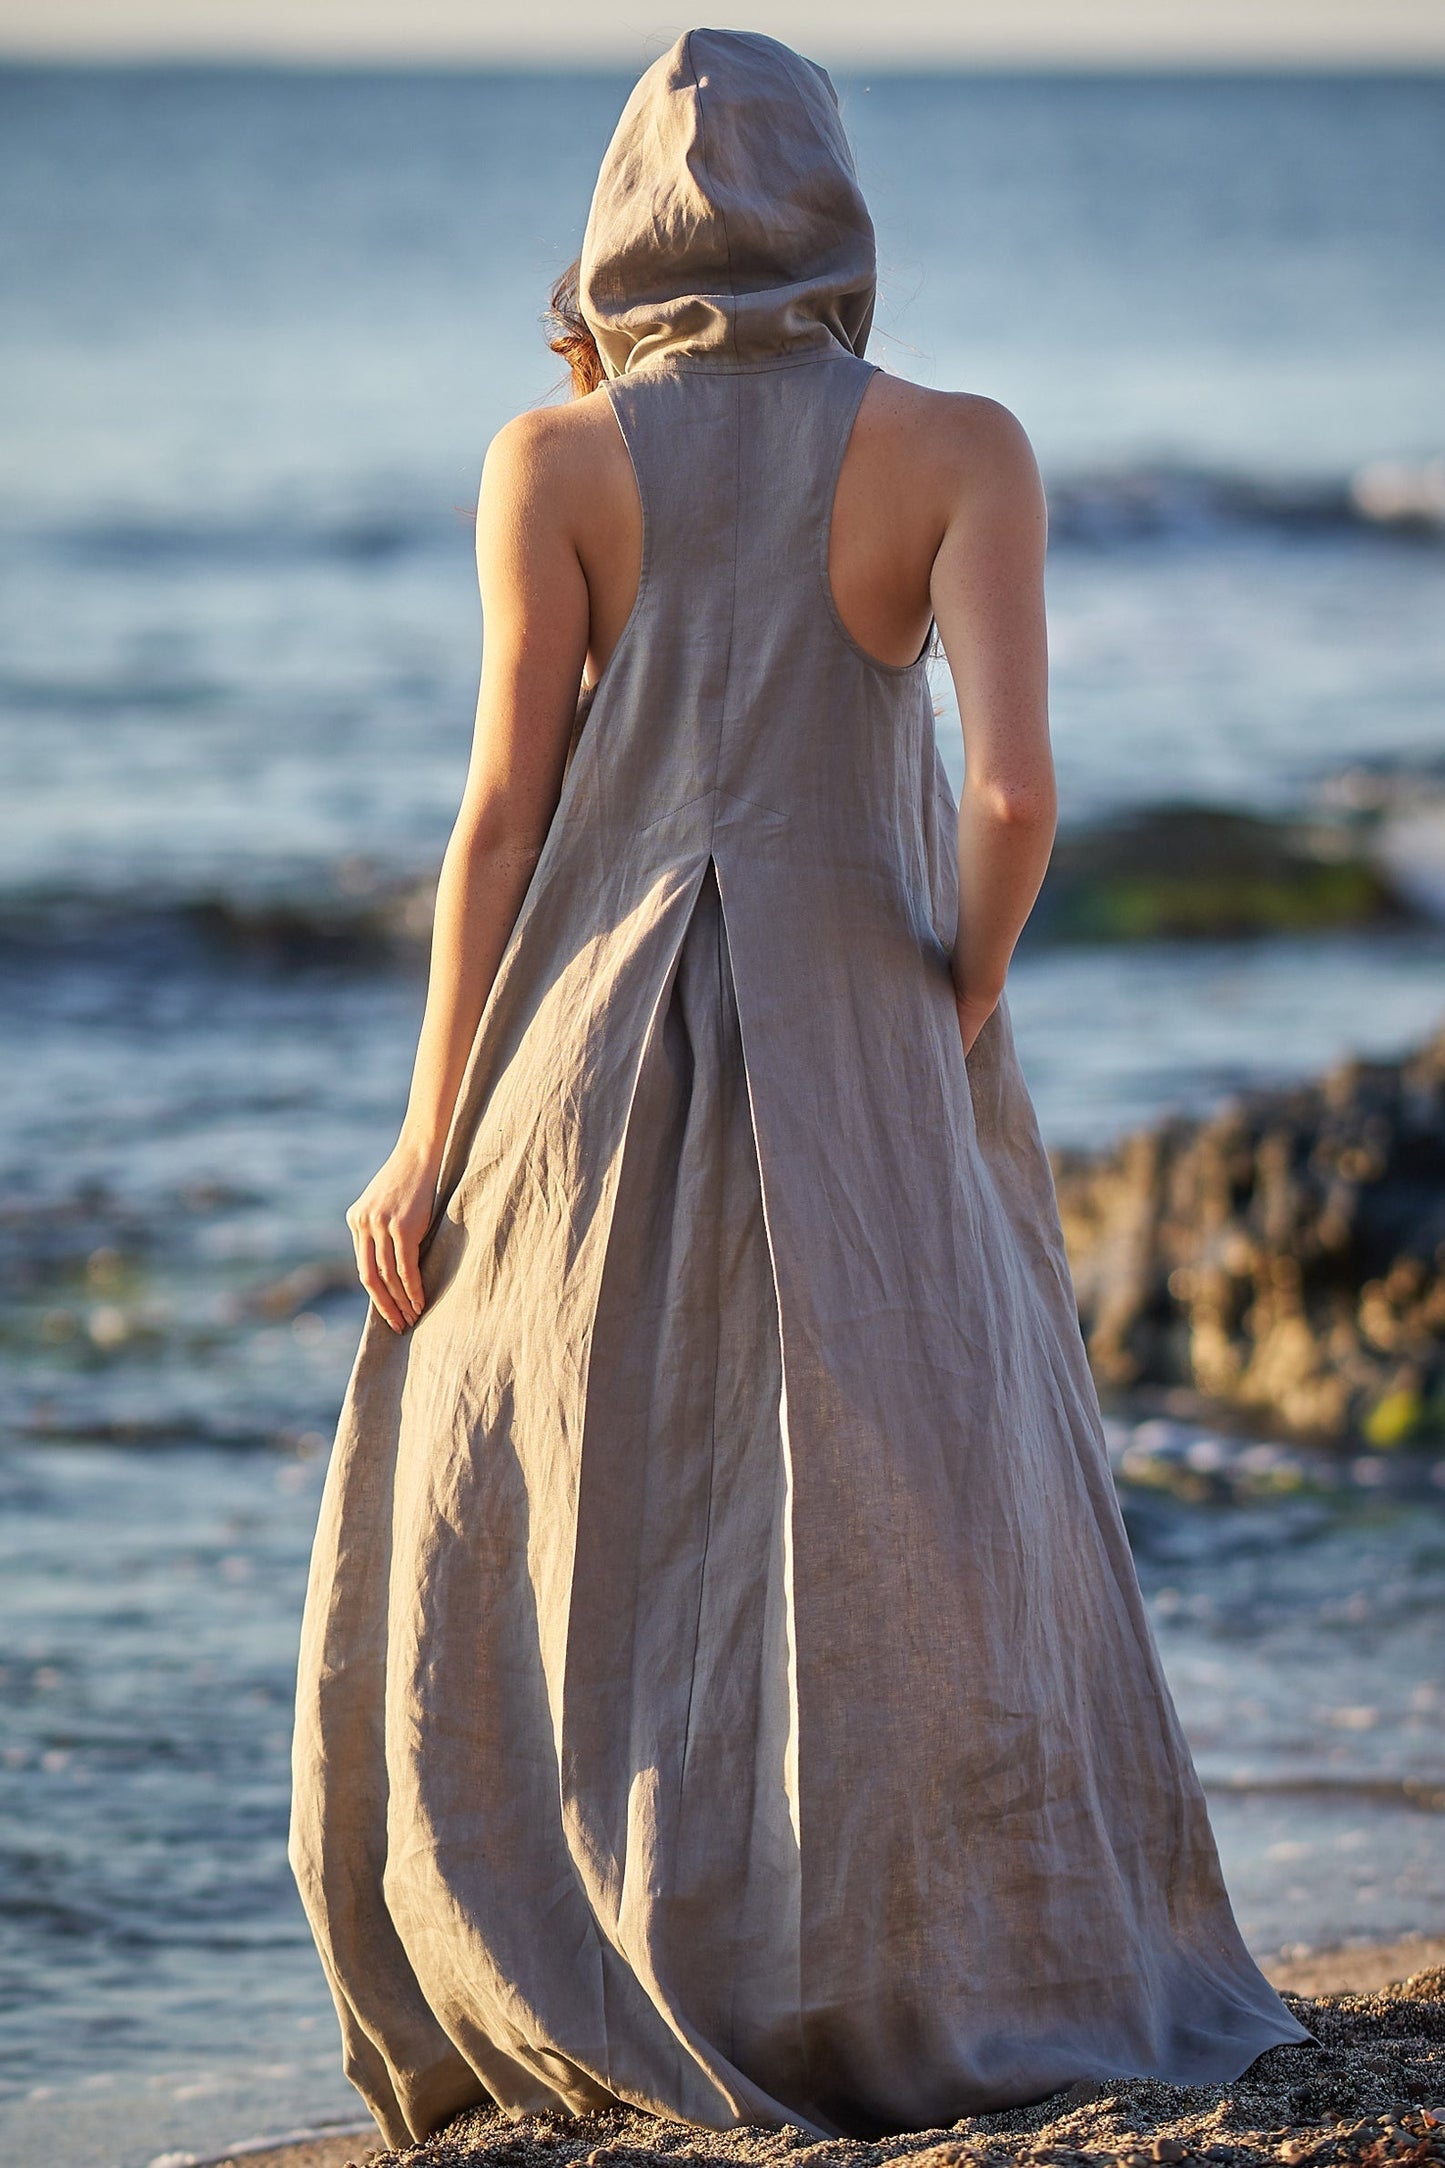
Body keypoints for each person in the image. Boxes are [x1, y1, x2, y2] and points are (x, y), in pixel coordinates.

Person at [289, 27, 1315, 2153]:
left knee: (597, 1510)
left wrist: (427, 1133)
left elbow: (499, 820)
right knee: (911, 1512)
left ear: (622, 220)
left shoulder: (549, 463)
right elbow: (1018, 793)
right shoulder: (961, 447)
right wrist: (956, 993)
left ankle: (583, 1938)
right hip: (867, 1013)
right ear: (836, 202)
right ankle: (921, 1949)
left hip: (583, 1037)